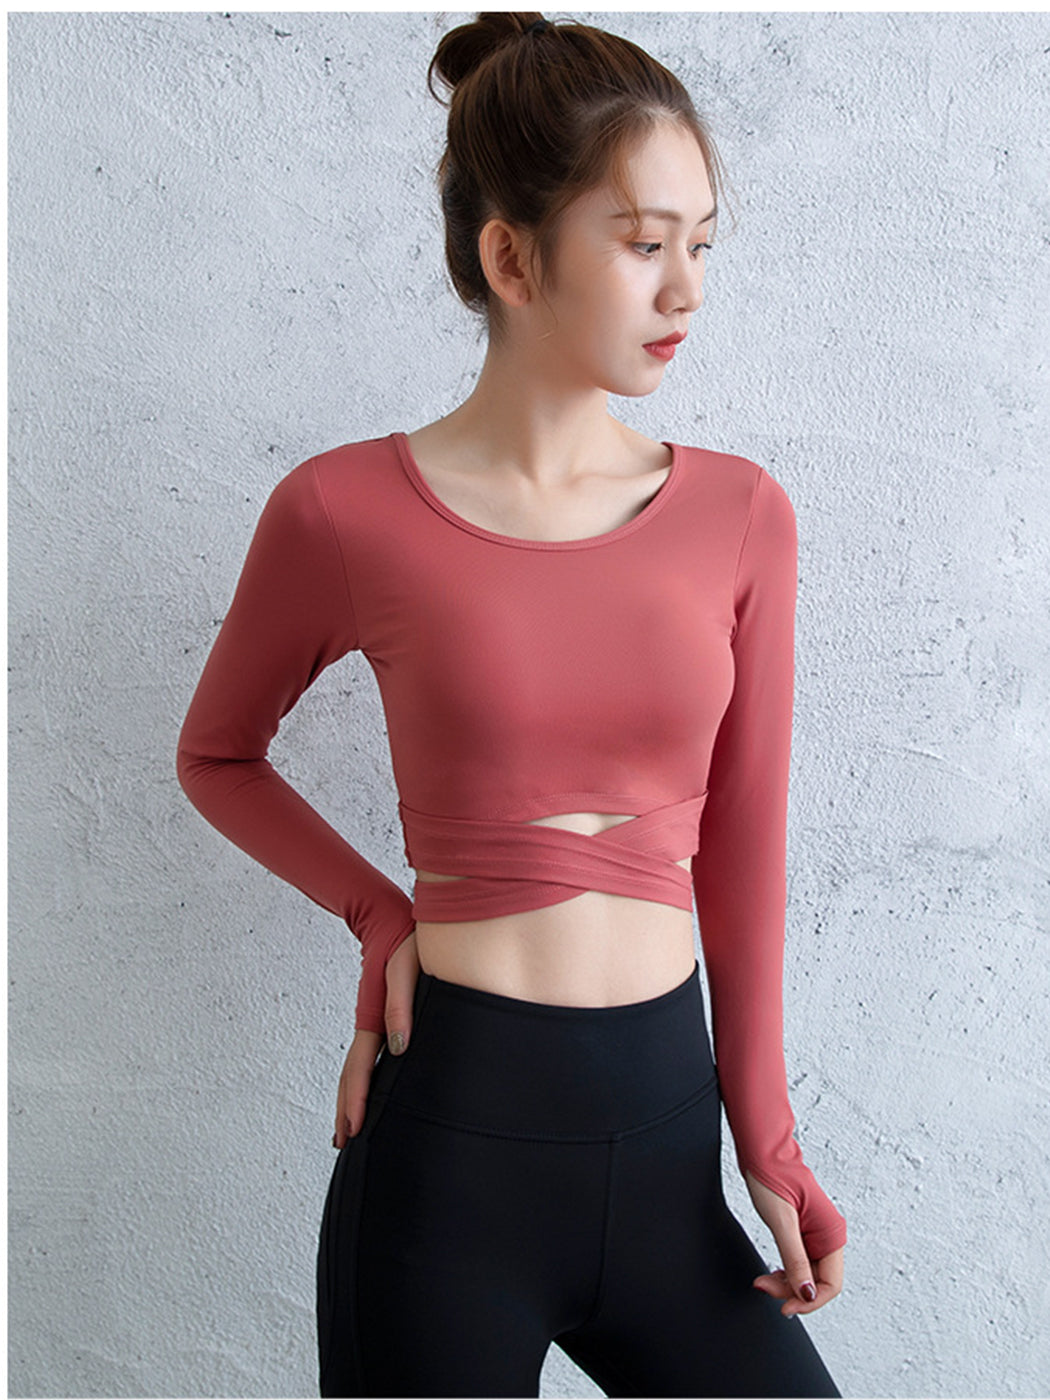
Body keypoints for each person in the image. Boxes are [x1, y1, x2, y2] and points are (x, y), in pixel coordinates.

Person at [176, 12, 848, 1398]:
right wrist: (379, 913)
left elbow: (743, 838)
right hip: (446, 1174)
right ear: (511, 257)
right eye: (643, 241)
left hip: (667, 1162)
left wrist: (767, 1137)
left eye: (702, 243)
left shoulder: (741, 516)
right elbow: (218, 754)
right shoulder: (343, 511)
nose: (685, 288)